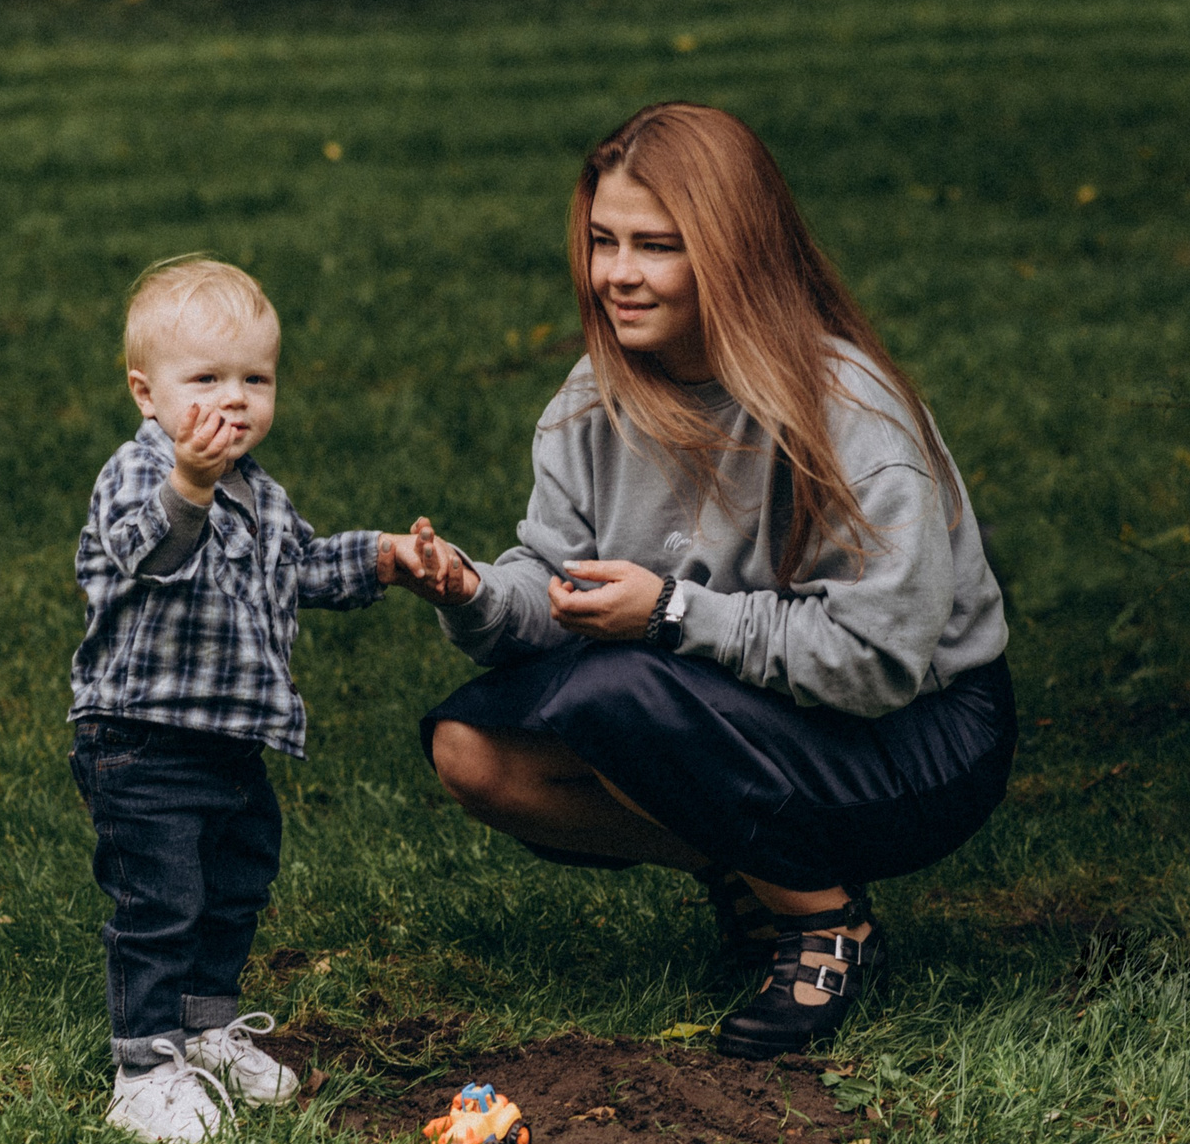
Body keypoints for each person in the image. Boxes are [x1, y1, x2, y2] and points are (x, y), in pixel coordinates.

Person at [413, 104, 1015, 1058]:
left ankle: (826, 922)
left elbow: (876, 662)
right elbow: (559, 583)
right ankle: (749, 865)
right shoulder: (593, 398)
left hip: (920, 737)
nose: (616, 273)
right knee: (471, 749)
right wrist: (475, 593)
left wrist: (670, 612)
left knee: (617, 691)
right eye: (603, 240)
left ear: (734, 251)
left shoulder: (848, 414)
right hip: (726, 701)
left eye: (656, 246)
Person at [70, 257, 456, 1144]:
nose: (234, 400)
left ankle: (206, 1027)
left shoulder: (262, 494)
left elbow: (303, 568)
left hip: (231, 740)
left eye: (256, 379)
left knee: (233, 885)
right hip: (141, 738)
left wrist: (384, 558)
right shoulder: (141, 475)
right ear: (146, 393)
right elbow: (146, 554)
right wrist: (190, 486)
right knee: (160, 900)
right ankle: (143, 1068)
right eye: (206, 380)